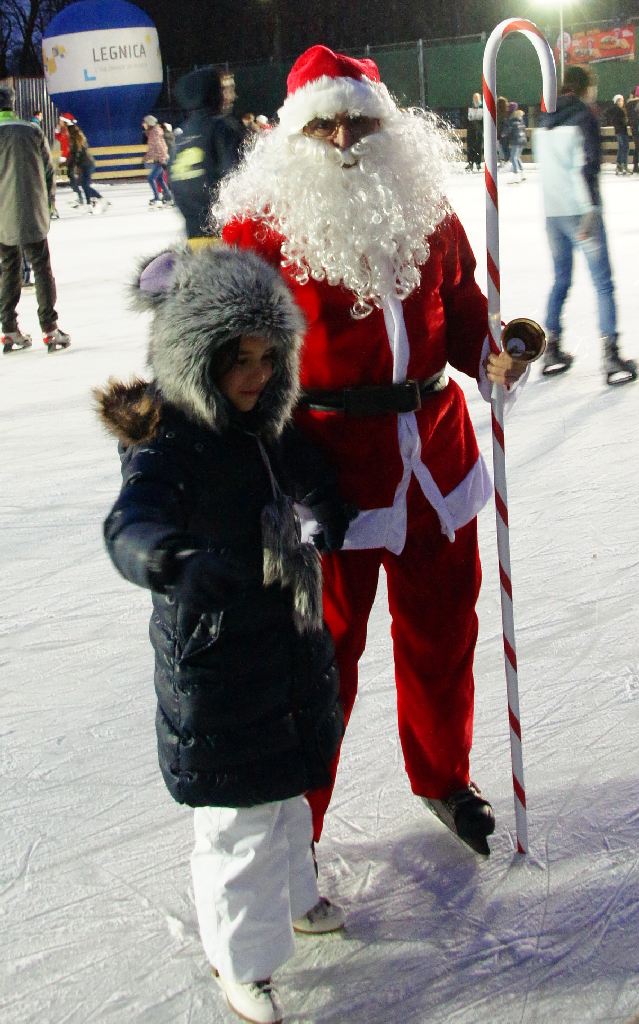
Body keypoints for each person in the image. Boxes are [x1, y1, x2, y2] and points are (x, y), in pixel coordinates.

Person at [216, 45, 530, 856]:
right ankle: (300, 828)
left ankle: (443, 776)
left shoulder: (426, 209)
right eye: (323, 124)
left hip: (436, 460)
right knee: (322, 660)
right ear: (294, 134)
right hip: (326, 471)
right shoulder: (257, 230)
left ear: (387, 126)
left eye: (358, 121)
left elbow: (462, 312)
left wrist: (494, 352)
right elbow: (228, 362)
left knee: (442, 634)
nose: (343, 138)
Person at [97, 243, 352, 1024]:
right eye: (237, 359)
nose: (256, 375)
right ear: (194, 355)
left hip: (283, 640)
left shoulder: (264, 421)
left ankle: (295, 896)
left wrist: (325, 506)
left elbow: (308, 469)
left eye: (268, 358)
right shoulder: (168, 440)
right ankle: (241, 961)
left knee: (286, 791)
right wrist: (170, 559)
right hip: (215, 658)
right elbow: (131, 520)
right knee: (238, 819)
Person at [534, 64, 636, 385]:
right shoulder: (584, 116)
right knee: (603, 283)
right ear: (585, 87)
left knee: (561, 279)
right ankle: (610, 354)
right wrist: (591, 210)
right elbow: (589, 165)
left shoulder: (544, 119)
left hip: (553, 214)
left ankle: (551, 347)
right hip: (581, 211)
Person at [0, 83, 70, 353]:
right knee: (41, 267)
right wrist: (48, 204)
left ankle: (8, 329)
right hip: (30, 210)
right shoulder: (31, 130)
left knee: (8, 268)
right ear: (12, 104)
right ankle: (50, 329)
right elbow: (48, 171)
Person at [170, 66, 243, 245]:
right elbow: (239, 179)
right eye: (225, 89)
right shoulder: (222, 129)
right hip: (226, 238)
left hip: (194, 238)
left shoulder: (181, 136)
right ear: (212, 92)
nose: (233, 96)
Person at [66, 122, 109, 213]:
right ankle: (93, 202)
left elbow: (75, 155)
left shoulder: (75, 142)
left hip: (86, 165)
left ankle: (96, 201)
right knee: (84, 185)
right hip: (86, 164)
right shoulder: (79, 139)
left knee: (85, 185)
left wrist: (71, 166)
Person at [142, 114, 173, 207]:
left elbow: (160, 147)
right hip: (159, 159)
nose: (143, 124)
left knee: (151, 178)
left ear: (149, 123)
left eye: (145, 122)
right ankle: (169, 198)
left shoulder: (154, 133)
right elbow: (153, 149)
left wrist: (162, 159)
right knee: (160, 179)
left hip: (160, 159)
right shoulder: (153, 132)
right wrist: (146, 158)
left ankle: (157, 199)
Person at [55, 112, 84, 205]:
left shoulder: (66, 130)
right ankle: (78, 195)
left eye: (61, 121)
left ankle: (79, 196)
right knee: (70, 175)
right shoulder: (68, 129)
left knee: (71, 175)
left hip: (70, 155)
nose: (59, 122)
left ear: (65, 122)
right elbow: (61, 140)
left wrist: (64, 157)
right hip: (71, 155)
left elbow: (64, 143)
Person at [506, 101, 527, 183]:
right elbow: (523, 128)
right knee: (517, 157)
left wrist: (503, 134)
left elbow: (509, 129)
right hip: (522, 139)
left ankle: (516, 175)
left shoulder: (512, 119)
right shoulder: (520, 118)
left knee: (513, 157)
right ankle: (522, 174)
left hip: (516, 140)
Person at [609, 93, 629, 174]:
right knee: (625, 147)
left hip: (619, 131)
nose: (621, 102)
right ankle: (624, 165)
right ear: (616, 102)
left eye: (622, 101)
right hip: (622, 131)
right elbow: (622, 121)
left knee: (621, 148)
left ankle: (619, 165)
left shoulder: (615, 110)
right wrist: (625, 121)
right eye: (619, 101)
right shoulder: (619, 110)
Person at [466, 91, 483, 171]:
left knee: (478, 147)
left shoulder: (483, 107)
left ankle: (478, 163)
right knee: (470, 147)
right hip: (471, 129)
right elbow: (466, 118)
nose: (475, 99)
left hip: (479, 130)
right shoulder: (470, 106)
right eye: (474, 98)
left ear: (479, 98)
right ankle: (470, 163)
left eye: (477, 98)